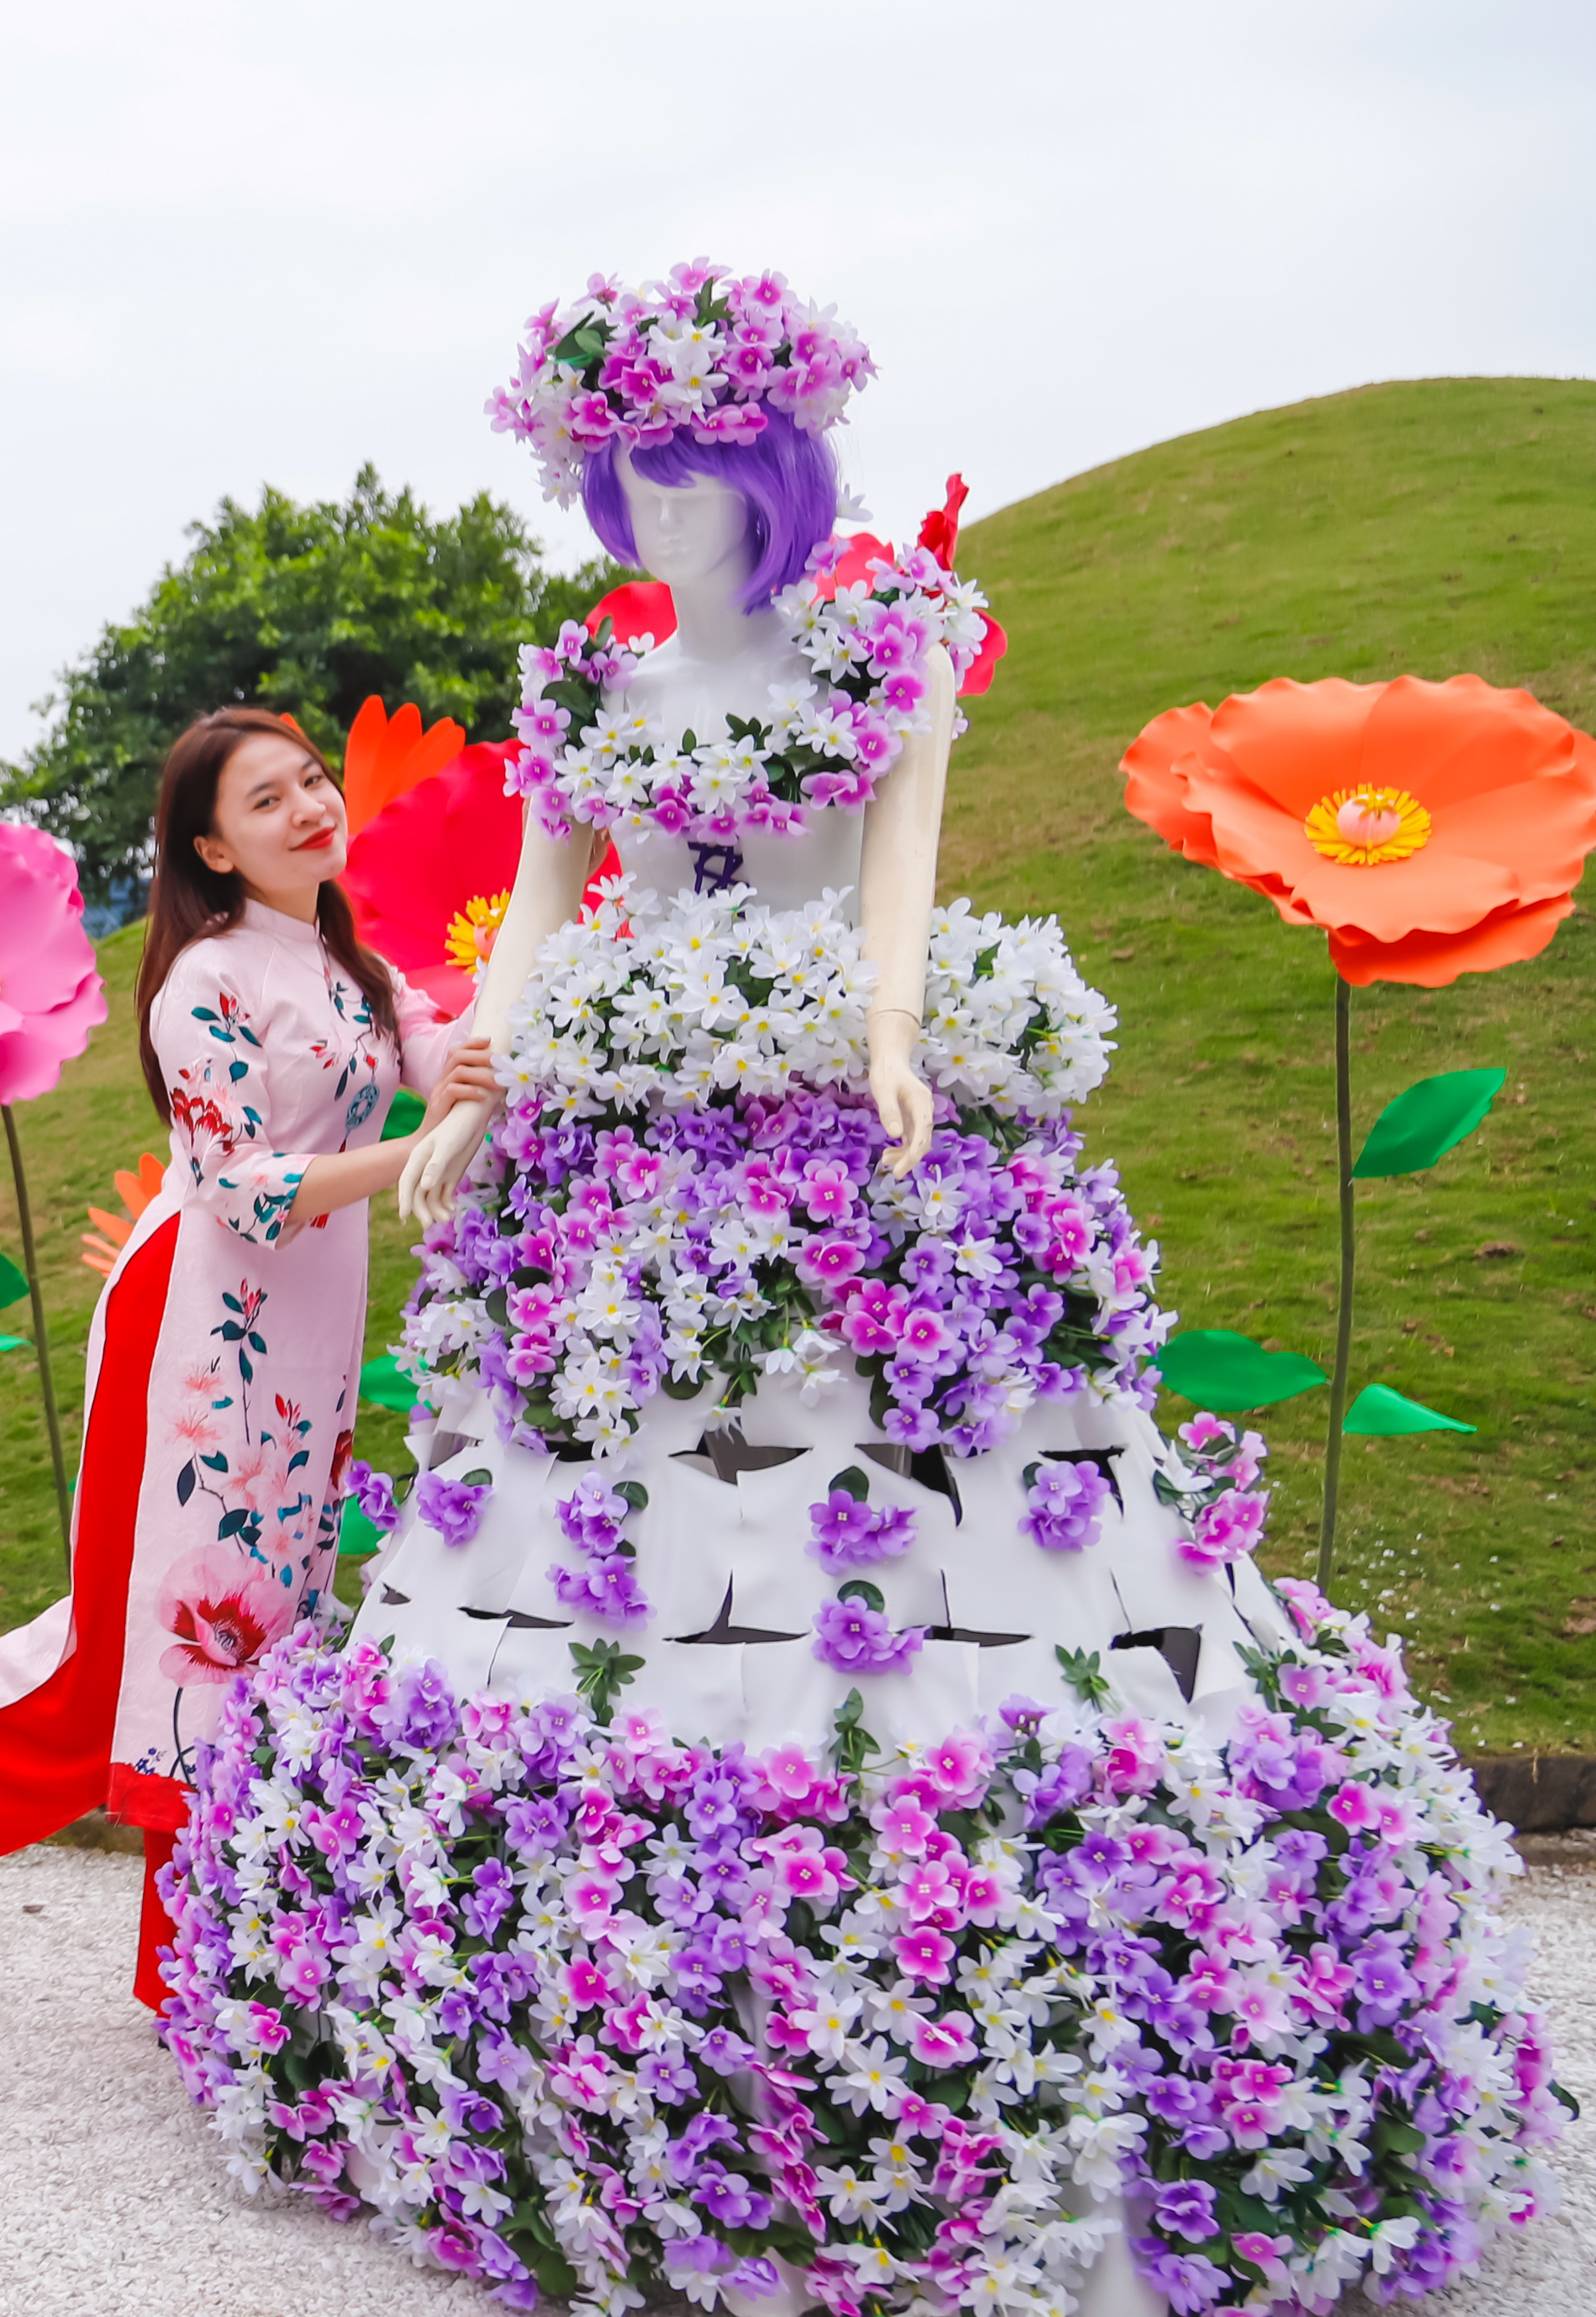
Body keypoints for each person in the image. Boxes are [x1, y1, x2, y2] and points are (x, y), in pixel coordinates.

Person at [147, 264, 1558, 2313]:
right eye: (632, 467)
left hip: (845, 1099)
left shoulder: (886, 651)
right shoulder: (587, 695)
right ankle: (572, 2000)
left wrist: (896, 1035)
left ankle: (1003, 1938)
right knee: (570, 1495)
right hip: (618, 1141)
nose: (670, 502)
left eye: (705, 463)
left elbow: (897, 872)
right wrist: (478, 1093)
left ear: (777, 463)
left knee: (935, 1452)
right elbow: (545, 921)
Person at [0, 706, 494, 2009]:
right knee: (206, 1629)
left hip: (303, 1339)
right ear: (210, 844)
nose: (313, 805)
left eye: (313, 779)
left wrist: (483, 1061)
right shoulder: (207, 980)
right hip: (203, 1323)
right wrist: (425, 1156)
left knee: (256, 1616)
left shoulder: (340, 959)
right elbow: (245, 1190)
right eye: (270, 799)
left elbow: (431, 1049)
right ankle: (192, 1967)